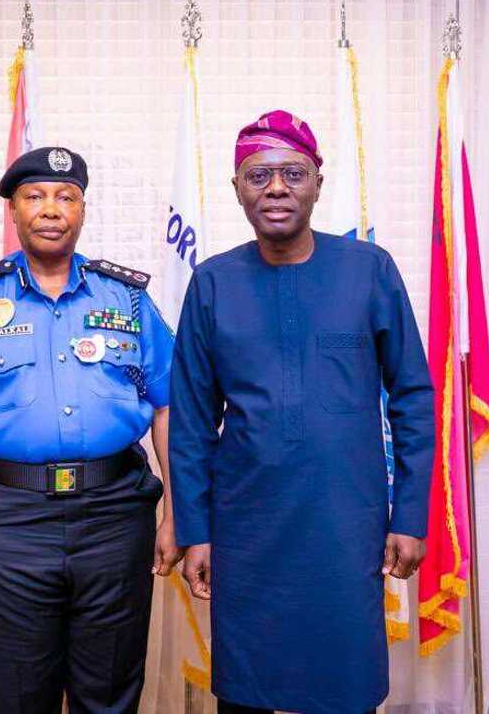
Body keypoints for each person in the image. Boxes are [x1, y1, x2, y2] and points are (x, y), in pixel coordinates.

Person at [0, 146, 182, 713]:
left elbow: (168, 407)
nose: (51, 209)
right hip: (4, 525)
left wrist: (178, 513)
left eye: (66, 197)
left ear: (82, 211)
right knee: (16, 696)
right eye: (35, 196)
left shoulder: (126, 298)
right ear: (13, 211)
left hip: (114, 520)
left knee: (109, 694)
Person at [170, 111, 435, 714]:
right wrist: (196, 530)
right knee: (246, 691)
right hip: (247, 530)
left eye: (293, 172)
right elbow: (189, 421)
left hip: (347, 524)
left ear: (319, 180)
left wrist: (411, 515)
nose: (277, 187)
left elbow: (414, 398)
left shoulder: (370, 270)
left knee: (347, 688)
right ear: (236, 187)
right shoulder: (211, 284)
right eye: (258, 174)